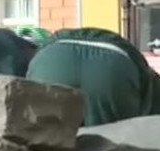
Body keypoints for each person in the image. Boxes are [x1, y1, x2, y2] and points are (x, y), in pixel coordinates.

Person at [26, 27, 160, 127]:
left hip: (50, 59)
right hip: (113, 65)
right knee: (112, 147)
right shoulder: (151, 81)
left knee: (45, 145)